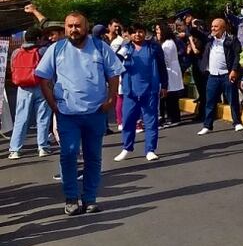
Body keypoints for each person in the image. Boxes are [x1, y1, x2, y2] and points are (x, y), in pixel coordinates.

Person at [35, 12, 123, 215]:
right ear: (65, 28)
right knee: (69, 154)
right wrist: (53, 104)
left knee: (93, 157)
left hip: (95, 113)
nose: (73, 29)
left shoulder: (100, 47)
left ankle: (90, 199)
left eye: (77, 26)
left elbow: (114, 73)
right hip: (68, 114)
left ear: (86, 27)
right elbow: (42, 77)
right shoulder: (56, 49)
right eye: (70, 26)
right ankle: (71, 198)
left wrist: (111, 99)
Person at [112, 23, 167, 162]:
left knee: (150, 121)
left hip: (150, 90)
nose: (137, 34)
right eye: (134, 32)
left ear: (145, 33)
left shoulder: (153, 47)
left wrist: (164, 85)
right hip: (130, 91)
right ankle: (126, 148)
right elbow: (115, 63)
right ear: (129, 35)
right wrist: (121, 54)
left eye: (140, 31)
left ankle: (150, 149)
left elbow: (162, 66)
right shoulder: (126, 48)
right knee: (128, 120)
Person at [8, 27, 52, 160]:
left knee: (21, 118)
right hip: (41, 86)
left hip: (23, 87)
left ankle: (15, 149)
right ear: (39, 38)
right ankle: (42, 147)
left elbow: (12, 68)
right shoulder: (43, 51)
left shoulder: (16, 52)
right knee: (43, 117)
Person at [197, 18, 243, 135]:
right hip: (213, 76)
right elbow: (196, 34)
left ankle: (237, 122)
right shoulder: (209, 40)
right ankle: (207, 125)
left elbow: (238, 56)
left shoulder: (231, 39)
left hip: (227, 75)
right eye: (212, 26)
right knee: (210, 101)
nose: (213, 29)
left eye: (216, 27)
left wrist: (234, 70)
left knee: (233, 100)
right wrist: (192, 26)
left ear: (223, 28)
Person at [156, 22, 185, 128]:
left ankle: (174, 118)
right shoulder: (168, 42)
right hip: (171, 70)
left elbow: (166, 60)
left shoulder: (167, 44)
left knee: (171, 96)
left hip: (170, 71)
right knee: (170, 96)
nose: (157, 32)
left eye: (158, 30)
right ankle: (172, 117)